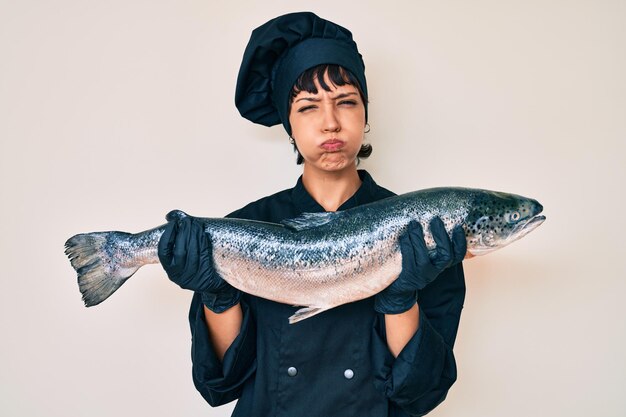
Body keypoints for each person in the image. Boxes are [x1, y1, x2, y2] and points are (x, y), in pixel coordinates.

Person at [158, 12, 467, 417]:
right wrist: (218, 295)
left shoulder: (427, 234)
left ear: (365, 113)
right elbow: (222, 384)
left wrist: (399, 298)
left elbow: (420, 394)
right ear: (289, 125)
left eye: (346, 102)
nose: (330, 122)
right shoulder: (241, 231)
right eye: (308, 107)